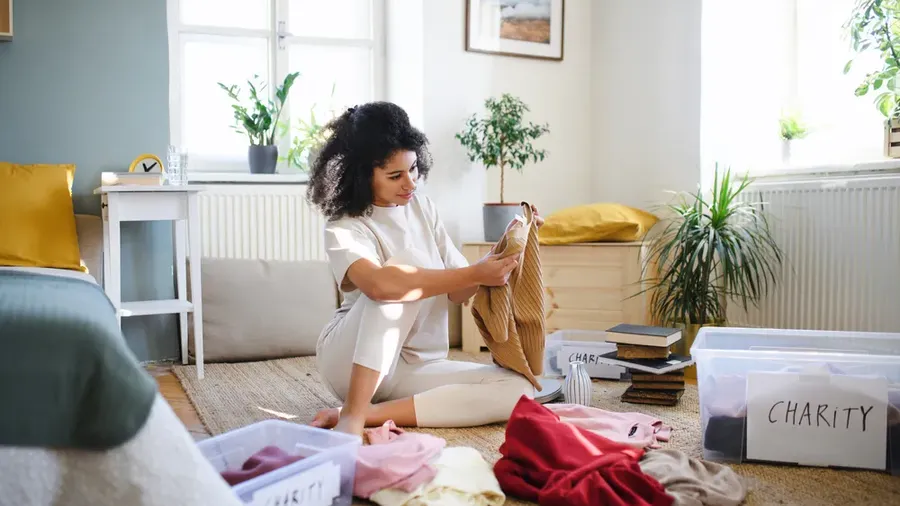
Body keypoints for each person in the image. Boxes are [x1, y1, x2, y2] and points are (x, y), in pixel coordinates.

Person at [305, 101, 544, 437]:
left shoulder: (423, 208)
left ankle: (370, 414)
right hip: (351, 363)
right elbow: (380, 286)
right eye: (395, 176)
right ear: (362, 175)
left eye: (414, 169)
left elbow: (461, 289)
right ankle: (353, 415)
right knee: (403, 272)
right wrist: (475, 273)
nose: (410, 183)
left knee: (520, 390)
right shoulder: (344, 226)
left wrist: (505, 249)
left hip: (418, 365)